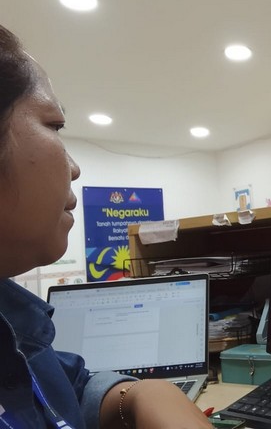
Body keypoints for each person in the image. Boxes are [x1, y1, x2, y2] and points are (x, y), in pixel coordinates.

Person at [0, 24, 211, 428]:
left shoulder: (13, 322)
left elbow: (67, 388)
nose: (74, 168)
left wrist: (144, 393)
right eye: (55, 125)